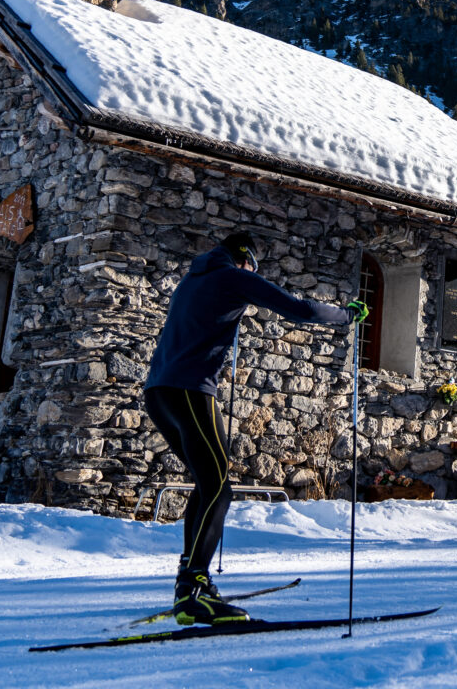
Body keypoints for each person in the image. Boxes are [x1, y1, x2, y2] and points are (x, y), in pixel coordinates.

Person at [143, 231, 365, 624]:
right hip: (191, 391)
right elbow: (302, 309)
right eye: (255, 267)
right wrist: (347, 314)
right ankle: (192, 589)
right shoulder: (232, 276)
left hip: (159, 392)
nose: (254, 273)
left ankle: (192, 582)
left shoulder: (192, 280)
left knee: (206, 483)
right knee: (218, 487)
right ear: (244, 258)